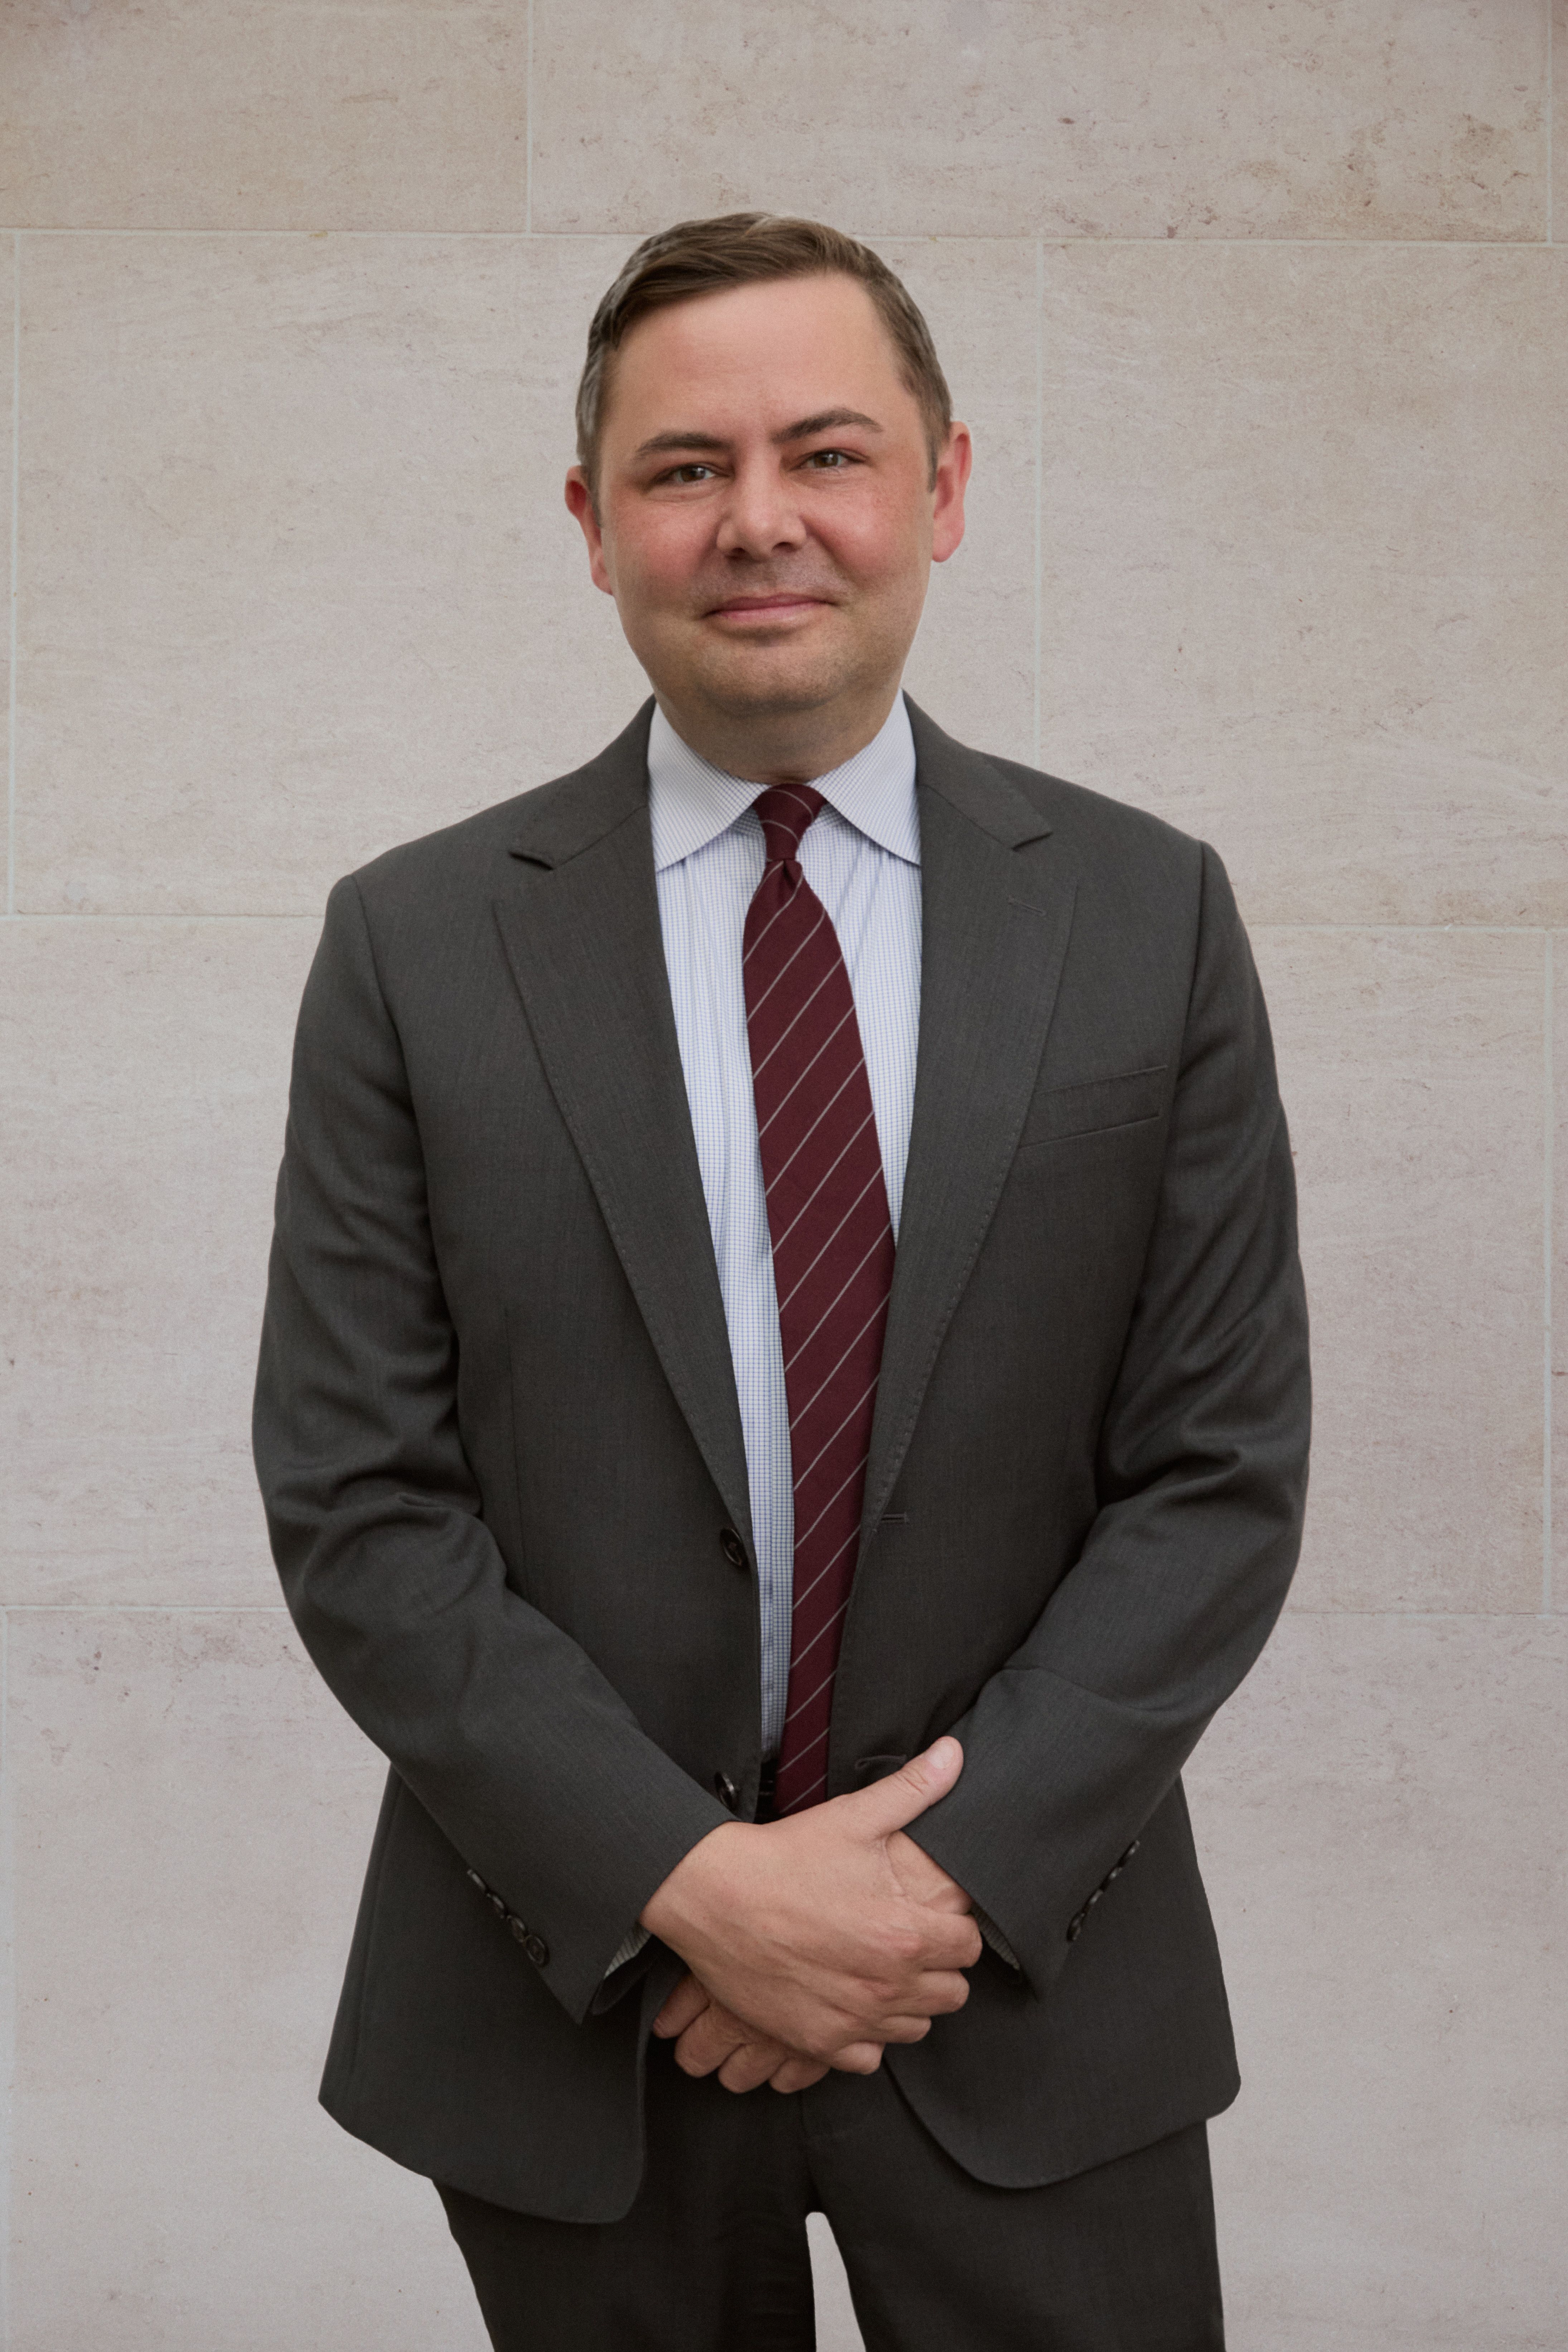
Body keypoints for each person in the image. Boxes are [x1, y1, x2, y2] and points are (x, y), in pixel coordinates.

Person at [253, 211, 1310, 2350]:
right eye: (682, 468)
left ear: (941, 486)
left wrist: (919, 1893)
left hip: (1028, 1989)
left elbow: (1217, 1476)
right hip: (581, 2010)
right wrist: (692, 1889)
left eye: (827, 453)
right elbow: (362, 1504)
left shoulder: (1146, 915)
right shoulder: (415, 943)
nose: (761, 524)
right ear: (591, 520)